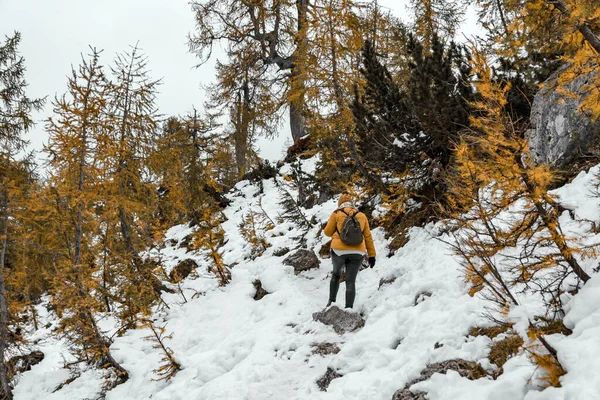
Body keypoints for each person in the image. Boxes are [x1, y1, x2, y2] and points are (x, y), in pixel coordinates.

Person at [323, 192, 376, 309]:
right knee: (350, 281)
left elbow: (327, 232)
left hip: (339, 251)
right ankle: (349, 309)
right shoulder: (361, 215)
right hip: (358, 253)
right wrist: (372, 255)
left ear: (340, 203)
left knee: (336, 275)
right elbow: (368, 237)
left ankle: (331, 303)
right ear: (352, 203)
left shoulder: (336, 213)